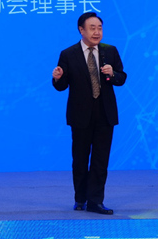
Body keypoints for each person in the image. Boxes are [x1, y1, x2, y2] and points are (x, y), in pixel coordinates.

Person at [52, 12, 127, 215]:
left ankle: (96, 201)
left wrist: (112, 74)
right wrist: (58, 77)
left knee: (101, 160)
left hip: (105, 114)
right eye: (92, 28)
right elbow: (62, 85)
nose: (97, 32)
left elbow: (121, 78)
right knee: (80, 159)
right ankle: (80, 198)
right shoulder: (68, 54)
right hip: (80, 115)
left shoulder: (110, 51)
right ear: (81, 30)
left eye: (100, 28)